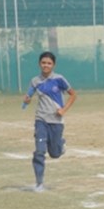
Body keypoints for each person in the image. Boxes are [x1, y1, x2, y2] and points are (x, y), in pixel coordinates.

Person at [23, 51, 77, 192]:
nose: (46, 65)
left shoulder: (59, 79)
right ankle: (39, 183)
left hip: (56, 121)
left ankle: (60, 144)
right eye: (43, 63)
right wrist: (26, 101)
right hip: (41, 120)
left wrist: (63, 110)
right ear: (39, 64)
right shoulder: (35, 81)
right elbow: (28, 98)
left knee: (55, 154)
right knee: (39, 151)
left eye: (49, 63)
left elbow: (73, 94)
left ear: (53, 65)